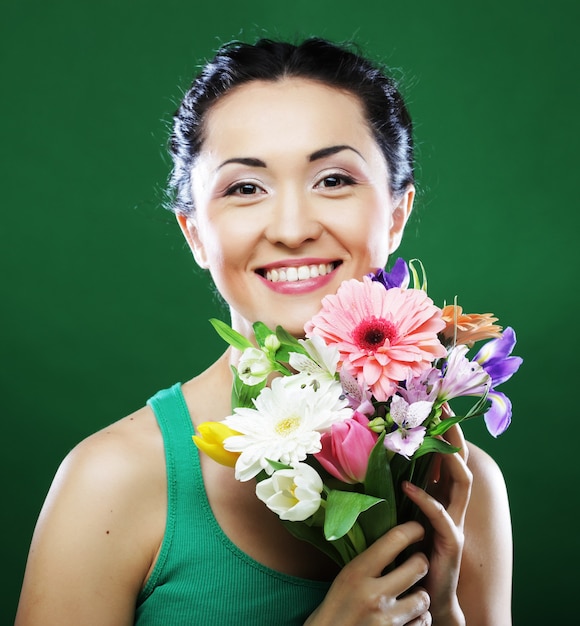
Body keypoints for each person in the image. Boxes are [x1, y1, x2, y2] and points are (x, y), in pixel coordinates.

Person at [15, 38, 512, 625]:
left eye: (333, 180)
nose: (293, 228)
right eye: (246, 188)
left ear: (398, 214)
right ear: (195, 234)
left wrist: (446, 612)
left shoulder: (459, 482)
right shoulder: (111, 480)